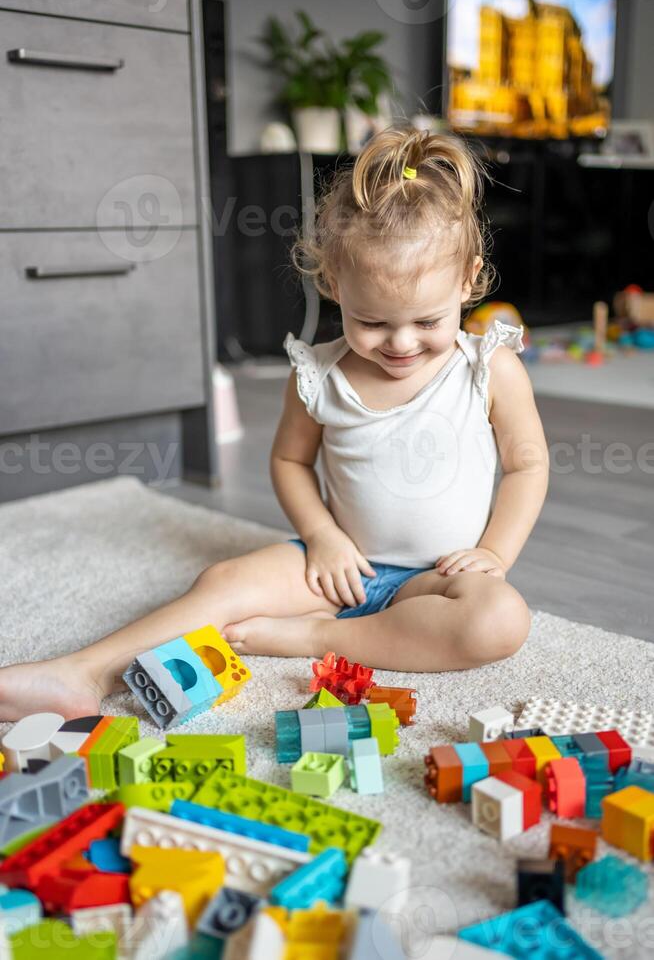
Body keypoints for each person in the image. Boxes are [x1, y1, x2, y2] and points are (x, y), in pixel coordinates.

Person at [0, 125, 549, 722]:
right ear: (335, 286)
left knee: (499, 619)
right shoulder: (320, 373)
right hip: (341, 569)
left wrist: (494, 552)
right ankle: (82, 673)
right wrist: (322, 536)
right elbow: (290, 462)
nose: (400, 342)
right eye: (372, 322)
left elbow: (527, 464)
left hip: (438, 580)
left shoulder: (487, 367)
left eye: (426, 321)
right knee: (224, 581)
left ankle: (315, 638)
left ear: (467, 281)